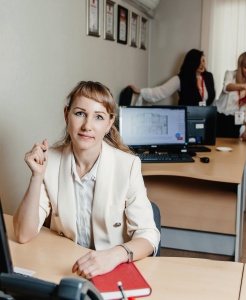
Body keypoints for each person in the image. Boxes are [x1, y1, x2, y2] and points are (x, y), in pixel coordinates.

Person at [13, 81, 160, 278]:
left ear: (109, 123)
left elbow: (149, 236)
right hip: (68, 265)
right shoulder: (51, 161)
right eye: (80, 113)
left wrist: (113, 256)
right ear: (66, 115)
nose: (87, 126)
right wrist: (37, 176)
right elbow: (23, 234)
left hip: (114, 267)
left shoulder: (128, 165)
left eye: (98, 117)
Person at [130, 49, 215, 106]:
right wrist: (141, 91)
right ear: (192, 63)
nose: (202, 64)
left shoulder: (209, 77)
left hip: (205, 120)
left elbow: (211, 99)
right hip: (186, 119)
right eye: (198, 62)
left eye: (203, 61)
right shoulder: (180, 79)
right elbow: (161, 92)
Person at [215, 51, 246, 143]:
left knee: (232, 152)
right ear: (240, 67)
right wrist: (243, 86)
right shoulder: (230, 74)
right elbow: (226, 87)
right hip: (219, 117)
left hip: (234, 121)